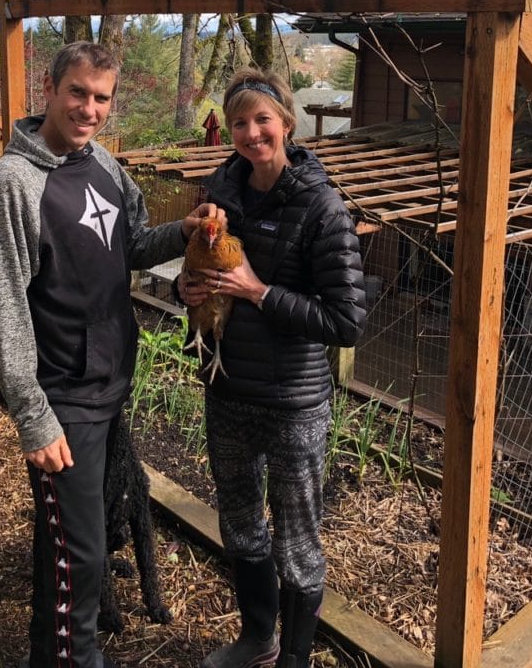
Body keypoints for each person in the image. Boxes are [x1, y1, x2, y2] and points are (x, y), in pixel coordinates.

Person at [0, 41, 222, 668]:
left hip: (109, 383)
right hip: (62, 397)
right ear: (49, 89)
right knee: (81, 558)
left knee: (68, 545)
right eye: (77, 92)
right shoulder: (13, 184)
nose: (89, 108)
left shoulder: (103, 164)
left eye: (102, 97)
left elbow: (131, 242)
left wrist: (183, 232)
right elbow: (1, 304)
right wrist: (33, 413)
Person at [179, 69, 366, 668]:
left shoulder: (322, 208)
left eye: (263, 119)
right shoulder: (221, 193)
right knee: (239, 524)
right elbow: (202, 276)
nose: (251, 132)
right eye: (239, 122)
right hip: (228, 388)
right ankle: (259, 639)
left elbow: (346, 322)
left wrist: (260, 292)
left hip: (292, 401)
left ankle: (296, 659)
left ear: (286, 122)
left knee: (297, 543)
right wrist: (188, 291)